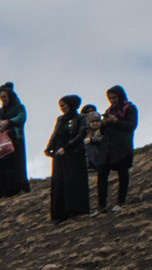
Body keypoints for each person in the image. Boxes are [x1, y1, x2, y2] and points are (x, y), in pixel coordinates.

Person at [46, 93, 91, 223]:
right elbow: (55, 134)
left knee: (74, 182)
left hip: (74, 154)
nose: (61, 108)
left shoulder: (81, 118)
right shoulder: (61, 119)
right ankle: (60, 213)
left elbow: (81, 133)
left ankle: (76, 210)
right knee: (59, 182)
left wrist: (67, 147)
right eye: (60, 106)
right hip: (60, 155)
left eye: (63, 105)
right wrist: (49, 148)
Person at [100, 86, 136, 211]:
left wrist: (116, 121)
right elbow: (103, 132)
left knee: (122, 173)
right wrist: (103, 123)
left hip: (122, 147)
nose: (112, 100)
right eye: (110, 98)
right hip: (107, 148)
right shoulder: (109, 111)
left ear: (120, 96)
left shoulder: (130, 108)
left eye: (114, 97)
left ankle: (121, 202)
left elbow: (131, 126)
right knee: (102, 174)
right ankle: (101, 205)